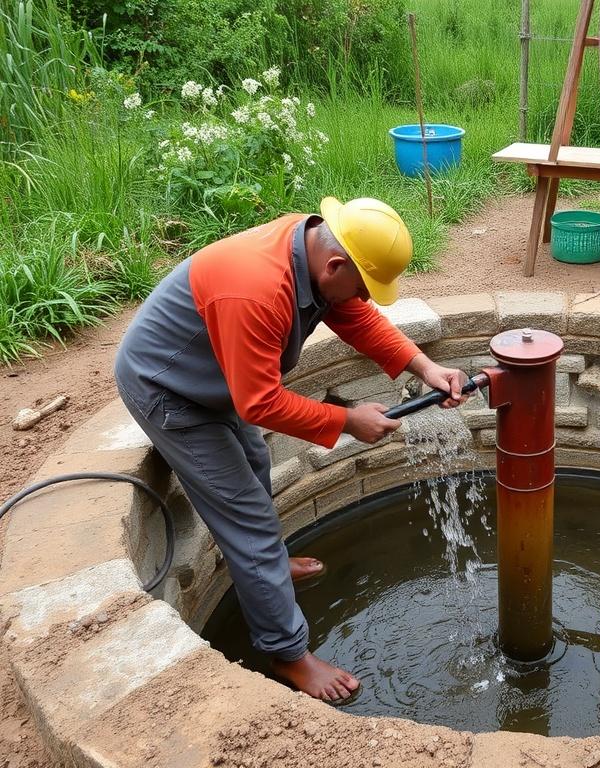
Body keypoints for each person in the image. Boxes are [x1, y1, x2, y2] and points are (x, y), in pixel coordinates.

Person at [114, 197, 467, 702]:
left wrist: (423, 367)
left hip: (214, 372)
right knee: (247, 520)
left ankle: (271, 567)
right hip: (169, 388)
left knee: (255, 462)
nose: (365, 298)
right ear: (336, 265)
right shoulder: (256, 290)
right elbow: (258, 401)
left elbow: (355, 317)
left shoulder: (313, 250)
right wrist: (346, 420)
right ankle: (288, 655)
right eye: (364, 286)